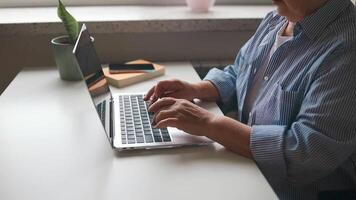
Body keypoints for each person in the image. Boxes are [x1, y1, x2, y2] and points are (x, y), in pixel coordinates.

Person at [144, 0, 356, 199]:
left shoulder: (346, 49)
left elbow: (307, 153)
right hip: (250, 168)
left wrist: (208, 123)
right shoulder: (277, 19)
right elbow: (240, 72)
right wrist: (197, 89)